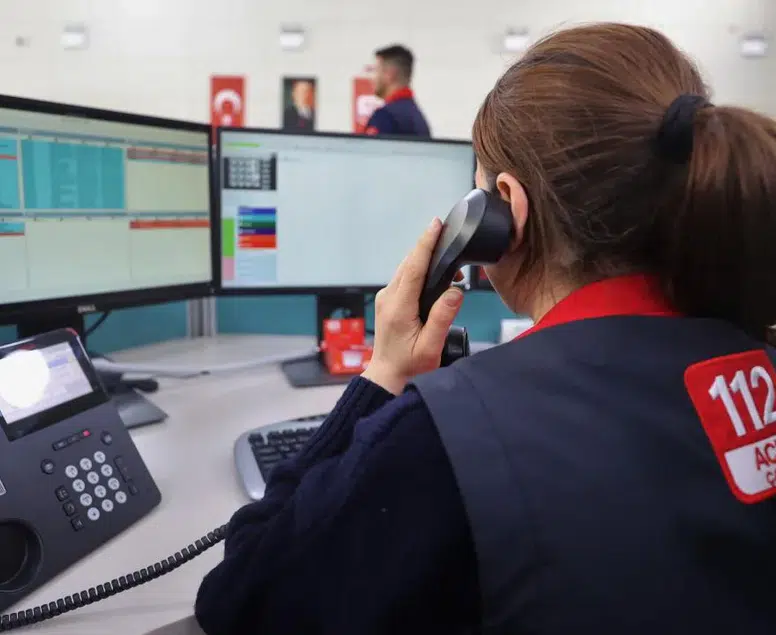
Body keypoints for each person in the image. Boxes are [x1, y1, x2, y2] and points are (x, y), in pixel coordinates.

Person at [195, 22, 776, 635]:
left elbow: (243, 597)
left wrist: (383, 375)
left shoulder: (456, 432)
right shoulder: (755, 359)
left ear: (504, 209)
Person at [364, 44, 431, 137]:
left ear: (389, 74)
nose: (371, 78)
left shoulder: (384, 117)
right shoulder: (419, 120)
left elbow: (370, 146)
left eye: (375, 70)